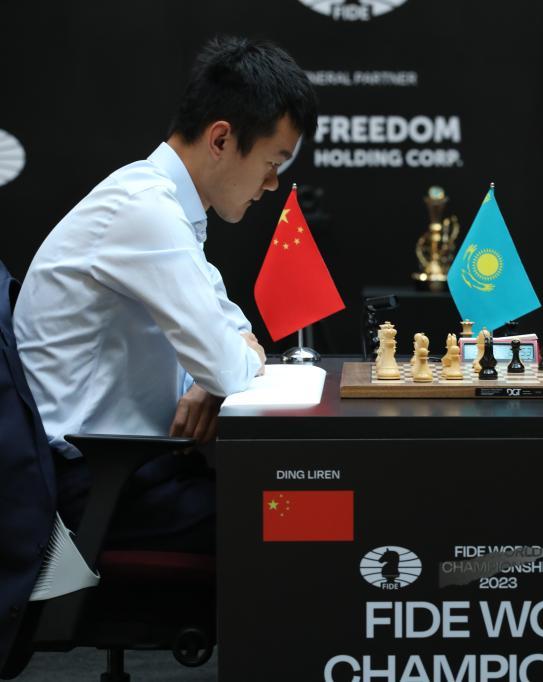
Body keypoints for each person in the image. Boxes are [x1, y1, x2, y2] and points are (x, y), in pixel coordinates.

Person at [13, 36, 317, 554]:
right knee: (306, 519)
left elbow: (233, 331)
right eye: (273, 162)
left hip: (130, 473)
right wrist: (218, 373)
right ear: (221, 139)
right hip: (88, 488)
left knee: (307, 509)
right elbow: (228, 362)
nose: (271, 184)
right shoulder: (144, 210)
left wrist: (212, 376)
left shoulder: (165, 206)